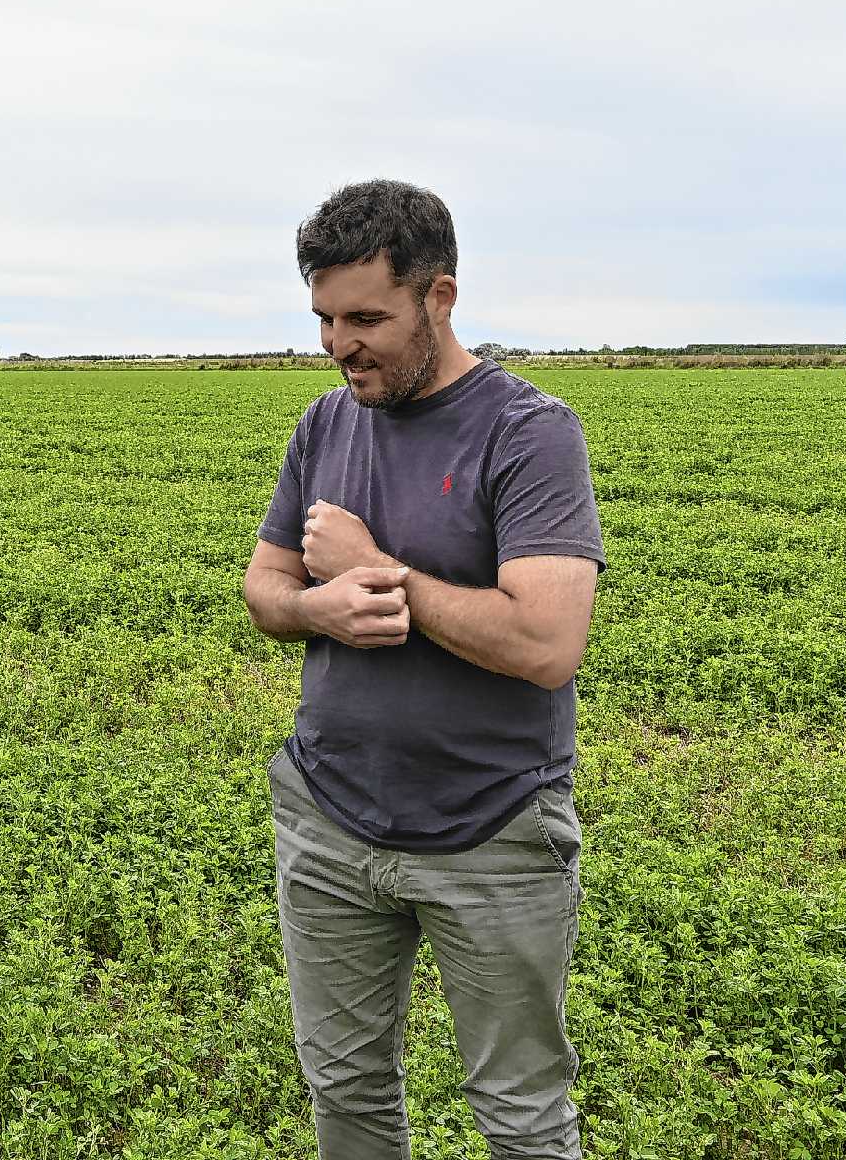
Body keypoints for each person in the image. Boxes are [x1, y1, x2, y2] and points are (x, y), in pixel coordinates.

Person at [242, 179, 604, 1158]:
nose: (339, 345)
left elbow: (546, 644)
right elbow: (266, 589)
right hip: (330, 816)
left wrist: (380, 570)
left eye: (366, 319)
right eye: (324, 320)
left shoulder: (528, 432)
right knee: (345, 1089)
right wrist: (315, 607)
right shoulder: (324, 425)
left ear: (438, 297)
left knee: (520, 1113)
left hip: (493, 829)